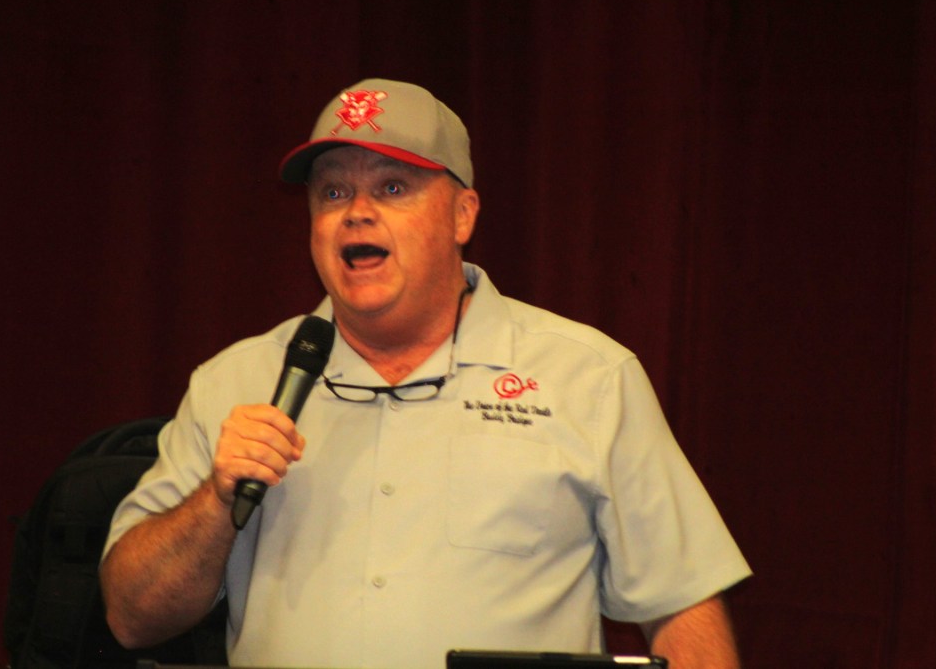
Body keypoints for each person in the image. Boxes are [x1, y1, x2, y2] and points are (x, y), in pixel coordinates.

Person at [100, 78, 752, 669]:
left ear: (463, 215)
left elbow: (683, 607)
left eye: (392, 188)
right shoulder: (236, 382)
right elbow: (131, 618)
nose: (357, 211)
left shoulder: (589, 378)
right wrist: (216, 499)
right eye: (332, 192)